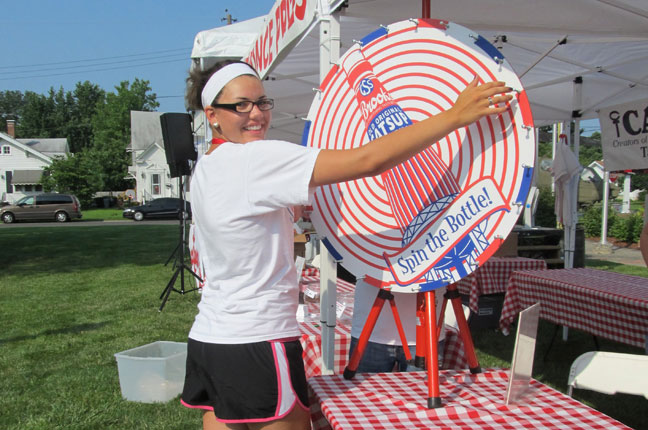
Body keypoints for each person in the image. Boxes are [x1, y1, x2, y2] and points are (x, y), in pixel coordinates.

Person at [180, 59, 512, 430]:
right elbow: (368, 159)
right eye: (241, 105)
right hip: (258, 337)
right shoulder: (256, 158)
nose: (256, 114)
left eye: (262, 102)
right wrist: (455, 116)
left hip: (210, 336)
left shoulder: (206, 166)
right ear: (212, 114)